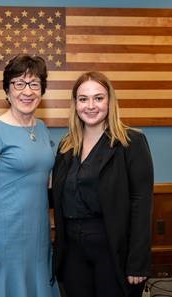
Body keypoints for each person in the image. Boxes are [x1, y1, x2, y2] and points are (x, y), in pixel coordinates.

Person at [51, 71, 154, 297]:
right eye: (83, 99)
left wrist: (138, 262)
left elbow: (141, 203)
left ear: (110, 101)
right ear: (75, 104)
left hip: (112, 247)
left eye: (98, 98)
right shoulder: (66, 146)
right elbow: (58, 196)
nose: (91, 106)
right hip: (73, 252)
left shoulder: (131, 142)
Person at [0, 54, 60, 297]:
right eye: (18, 83)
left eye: (34, 84)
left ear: (42, 91)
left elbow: (46, 180)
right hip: (6, 235)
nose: (27, 91)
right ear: (7, 90)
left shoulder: (41, 128)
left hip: (39, 232)